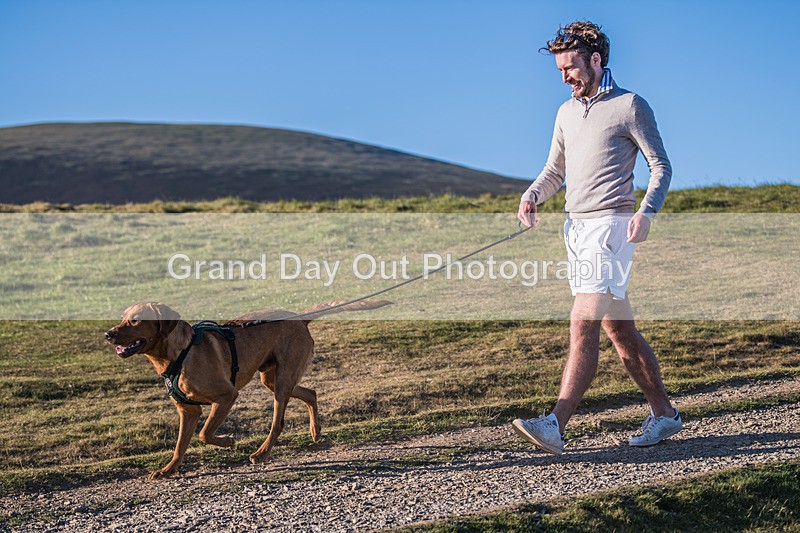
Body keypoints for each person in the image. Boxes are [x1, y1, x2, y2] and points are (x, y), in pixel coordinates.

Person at [512, 21, 681, 454]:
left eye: (570, 67)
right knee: (619, 330)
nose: (564, 77)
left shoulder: (630, 106)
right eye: (559, 70)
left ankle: (555, 423)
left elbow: (660, 166)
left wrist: (647, 211)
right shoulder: (566, 113)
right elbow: (555, 171)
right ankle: (664, 414)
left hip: (612, 226)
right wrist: (533, 195)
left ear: (596, 60)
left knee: (582, 322)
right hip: (577, 229)